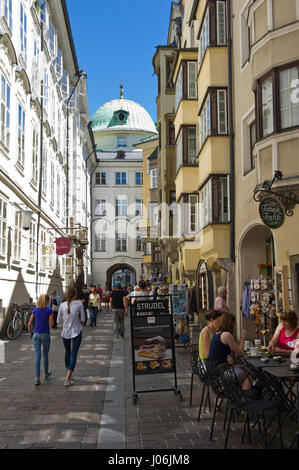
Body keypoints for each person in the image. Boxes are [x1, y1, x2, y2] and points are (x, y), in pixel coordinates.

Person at [208, 312, 252, 391]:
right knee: (250, 372)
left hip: (213, 372)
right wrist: (242, 338)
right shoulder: (227, 335)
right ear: (230, 323)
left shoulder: (217, 334)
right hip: (221, 375)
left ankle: (233, 395)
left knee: (243, 368)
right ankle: (245, 397)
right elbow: (240, 353)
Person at [57, 287, 85, 387]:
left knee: (67, 352)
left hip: (65, 332)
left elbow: (58, 321)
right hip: (76, 331)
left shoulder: (62, 305)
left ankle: (68, 374)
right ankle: (68, 378)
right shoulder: (79, 304)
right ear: (75, 295)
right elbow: (83, 319)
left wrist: (66, 319)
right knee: (73, 354)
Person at [28, 294, 54, 386]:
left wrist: (30, 332)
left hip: (36, 334)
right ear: (46, 301)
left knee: (37, 356)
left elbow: (29, 323)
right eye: (48, 301)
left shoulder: (35, 310)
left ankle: (37, 378)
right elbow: (51, 323)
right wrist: (51, 321)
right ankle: (46, 374)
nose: (49, 302)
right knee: (45, 355)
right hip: (45, 334)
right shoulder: (49, 310)